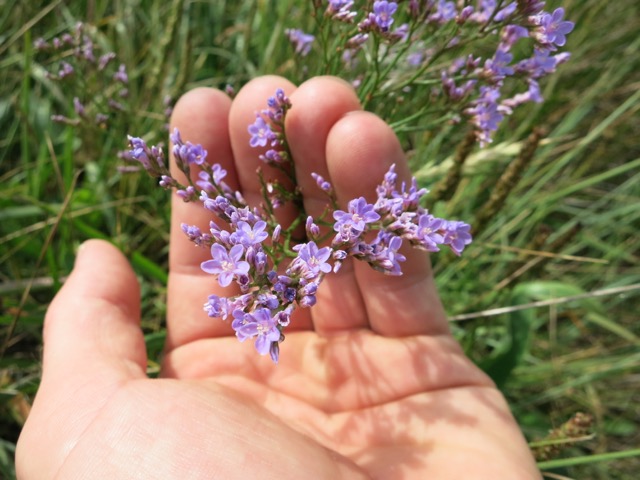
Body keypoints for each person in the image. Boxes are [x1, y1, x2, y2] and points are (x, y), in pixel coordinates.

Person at [16, 76, 542, 479]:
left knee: (346, 145)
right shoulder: (271, 281)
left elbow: (303, 261)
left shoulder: (286, 268)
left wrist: (313, 255)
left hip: (296, 258)